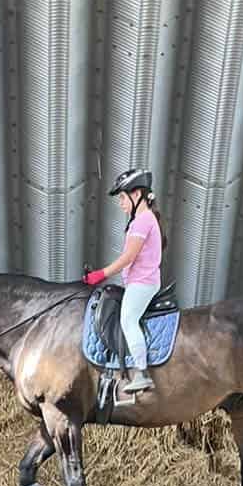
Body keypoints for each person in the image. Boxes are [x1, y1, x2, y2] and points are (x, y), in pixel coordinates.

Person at [84, 166, 164, 393]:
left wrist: (100, 274)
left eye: (122, 197)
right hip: (140, 281)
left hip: (143, 283)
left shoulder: (142, 221)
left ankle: (141, 373)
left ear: (137, 195)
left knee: (128, 320)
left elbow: (128, 257)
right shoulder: (144, 220)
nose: (121, 203)